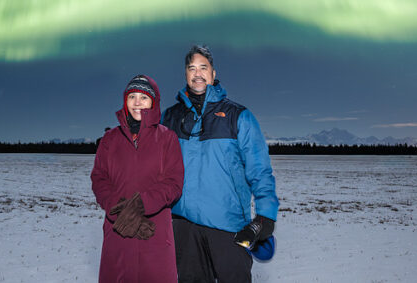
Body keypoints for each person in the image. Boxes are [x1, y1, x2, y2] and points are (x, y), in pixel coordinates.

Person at [161, 45, 278, 283]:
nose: (197, 74)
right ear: (185, 74)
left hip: (228, 225)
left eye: (203, 67)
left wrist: (266, 214)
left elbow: (260, 169)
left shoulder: (238, 115)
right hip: (183, 226)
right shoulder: (170, 117)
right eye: (191, 68)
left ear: (213, 74)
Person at [91, 74, 184, 283]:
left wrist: (141, 204)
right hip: (118, 231)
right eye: (131, 96)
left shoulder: (167, 138)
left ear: (154, 102)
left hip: (154, 232)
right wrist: (119, 209)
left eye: (143, 97)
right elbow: (99, 179)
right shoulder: (109, 140)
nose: (137, 103)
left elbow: (174, 183)